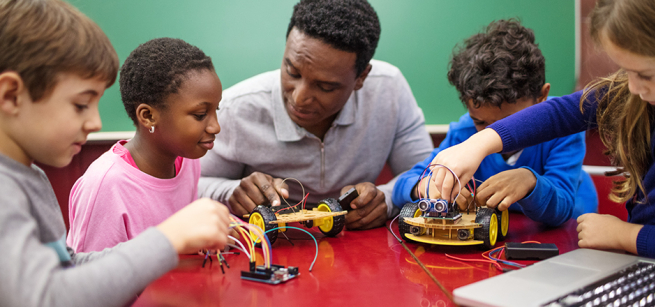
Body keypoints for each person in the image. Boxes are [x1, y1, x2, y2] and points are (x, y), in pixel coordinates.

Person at [0, 1, 230, 306]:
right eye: (81, 105)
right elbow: (48, 297)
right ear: (11, 95)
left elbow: (68, 268)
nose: (96, 122)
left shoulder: (30, 177)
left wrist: (174, 240)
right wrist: (165, 239)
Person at [428, 0, 655, 257]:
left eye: (645, 75)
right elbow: (561, 113)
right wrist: (478, 144)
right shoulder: (632, 94)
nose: (633, 88)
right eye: (626, 72)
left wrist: (626, 236)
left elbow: (562, 207)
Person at [198, 0, 433, 230]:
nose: (299, 98)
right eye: (292, 71)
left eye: (325, 87)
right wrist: (231, 193)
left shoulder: (389, 90)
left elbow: (425, 176)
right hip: (271, 250)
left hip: (358, 251)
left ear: (361, 78)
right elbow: (189, 186)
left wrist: (387, 199)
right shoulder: (236, 108)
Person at [392, 20, 597, 227]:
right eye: (480, 122)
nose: (492, 132)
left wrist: (530, 182)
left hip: (569, 235)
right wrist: (423, 186)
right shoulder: (465, 132)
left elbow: (562, 208)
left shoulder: (564, 128)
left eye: (512, 124)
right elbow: (403, 183)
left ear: (541, 96)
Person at [67, 38, 223, 252]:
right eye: (200, 115)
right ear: (148, 116)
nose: (215, 127)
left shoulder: (187, 161)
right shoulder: (106, 185)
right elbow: (88, 278)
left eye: (217, 110)